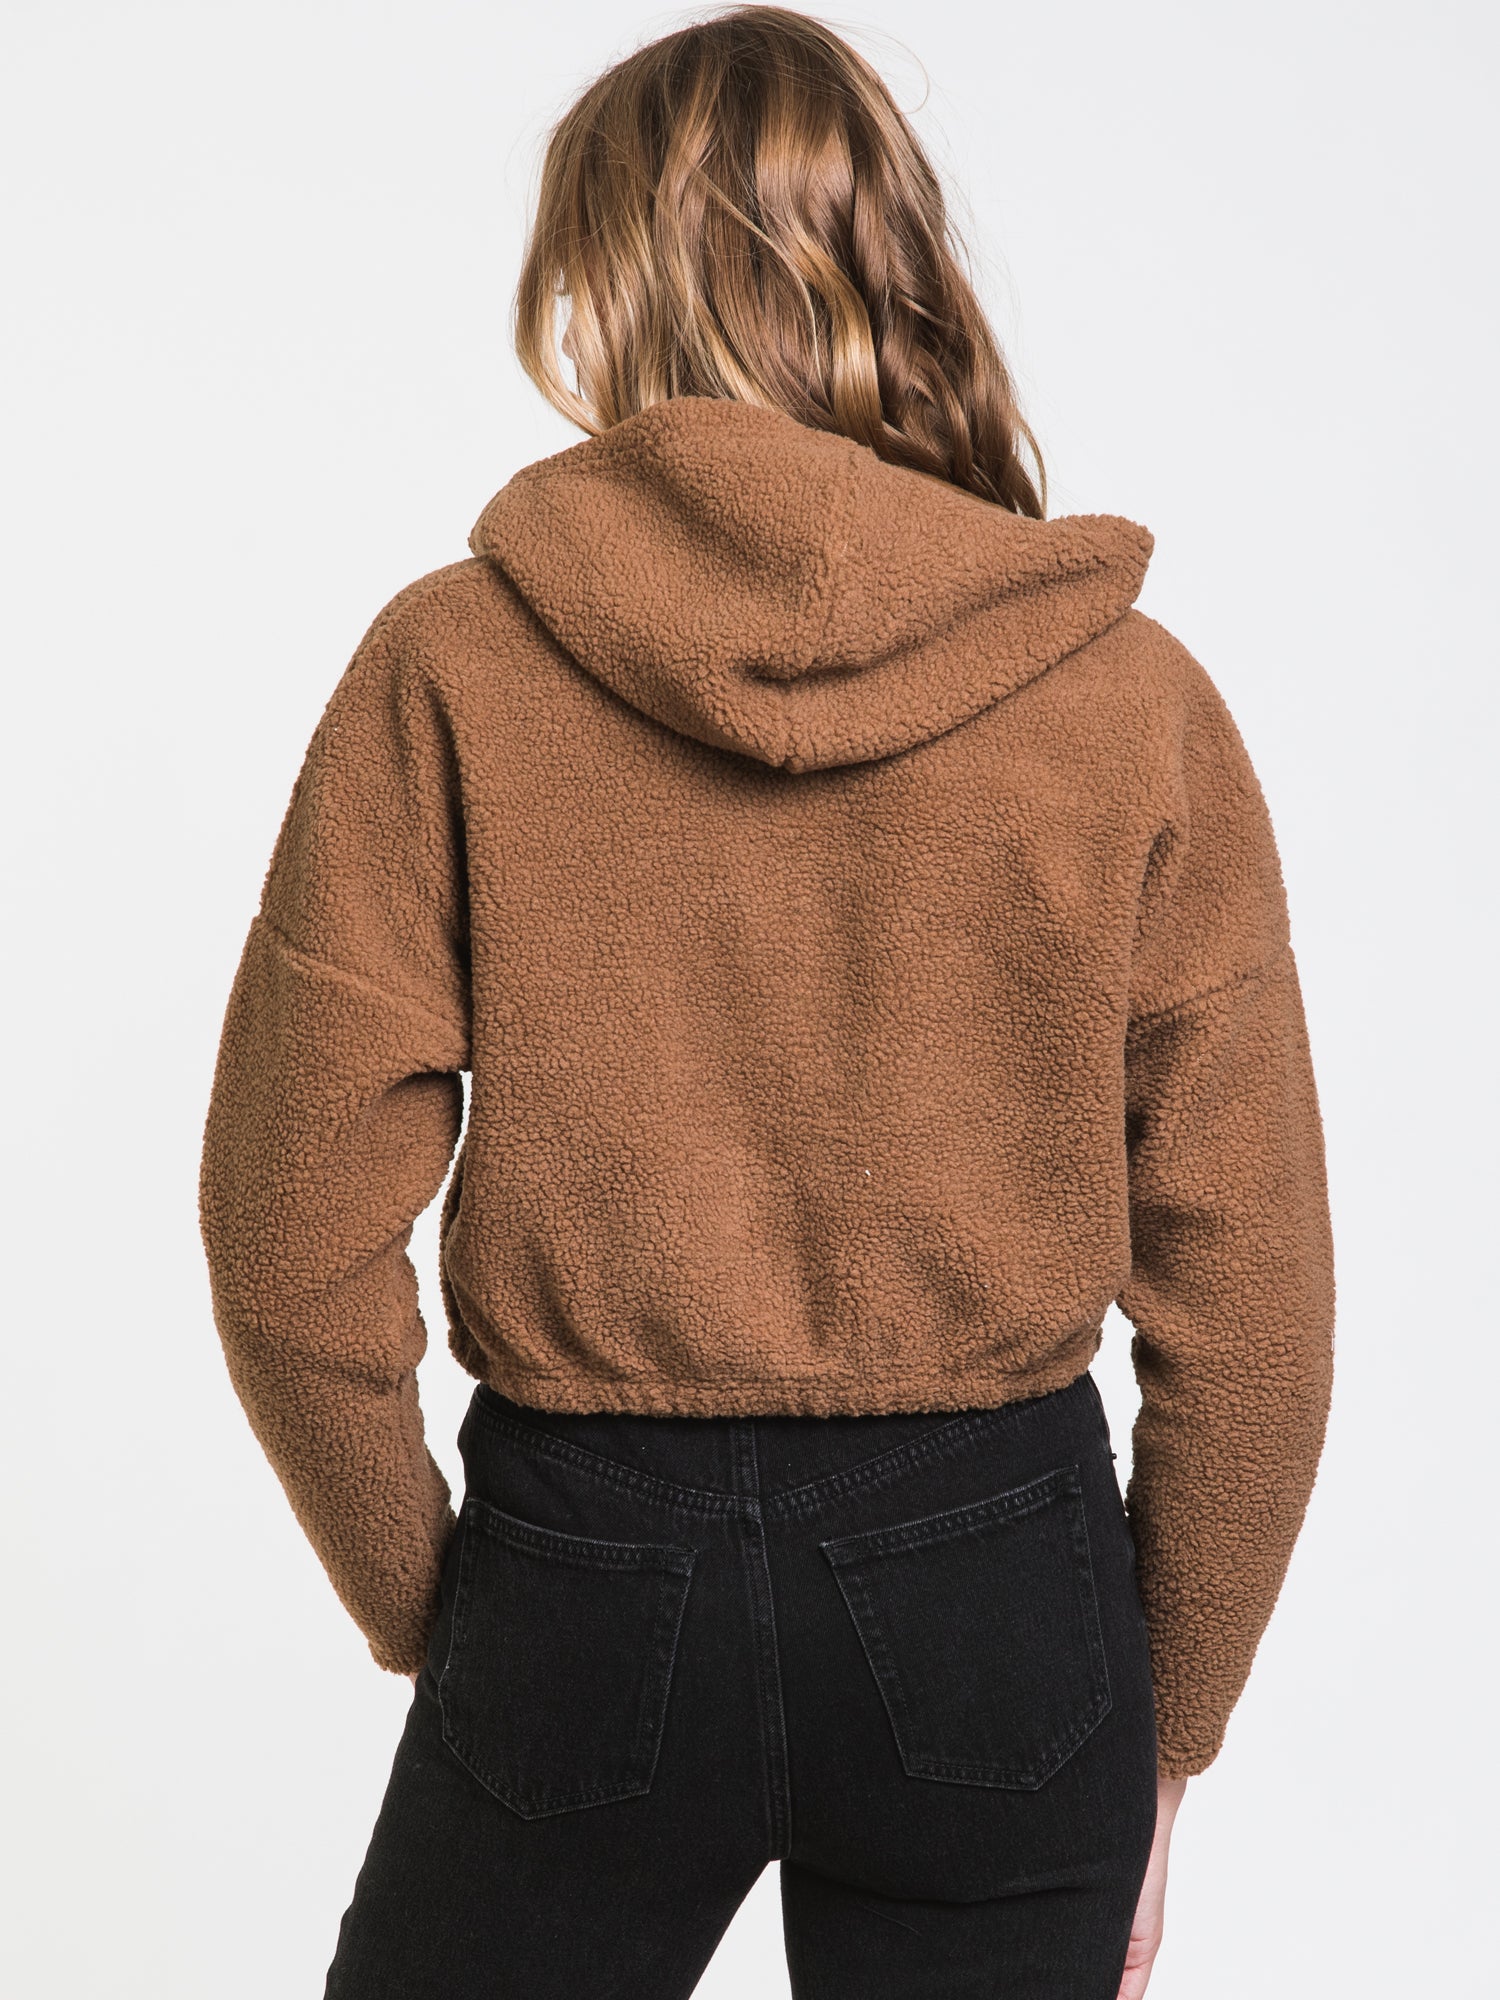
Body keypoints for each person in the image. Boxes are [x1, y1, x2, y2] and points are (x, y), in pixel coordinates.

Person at [198, 9, 1335, 1996]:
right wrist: (1169, 1728)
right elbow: (1258, 1294)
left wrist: (444, 1615)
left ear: (604, 281)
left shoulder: (452, 665)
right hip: (1002, 1596)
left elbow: (286, 1230)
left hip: (584, 1560)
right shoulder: (1127, 701)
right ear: (898, 264)